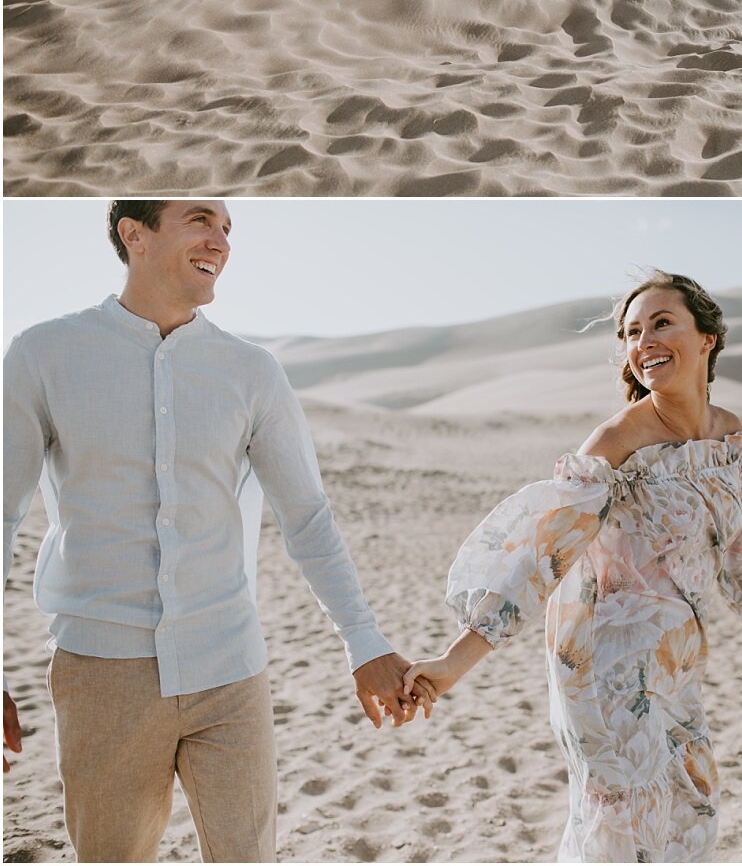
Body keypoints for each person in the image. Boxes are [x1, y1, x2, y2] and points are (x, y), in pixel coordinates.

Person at [3, 200, 434, 864]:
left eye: (228, 228)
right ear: (134, 234)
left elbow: (307, 517)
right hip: (101, 673)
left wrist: (364, 641)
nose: (221, 240)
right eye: (202, 220)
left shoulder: (251, 372)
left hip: (230, 669)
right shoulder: (44, 354)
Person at [403, 271, 742, 864]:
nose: (644, 340)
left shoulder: (730, 439)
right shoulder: (617, 440)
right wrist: (453, 662)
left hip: (679, 663)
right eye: (632, 332)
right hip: (604, 665)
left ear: (708, 337)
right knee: (623, 823)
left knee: (690, 808)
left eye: (661, 323)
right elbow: (539, 553)